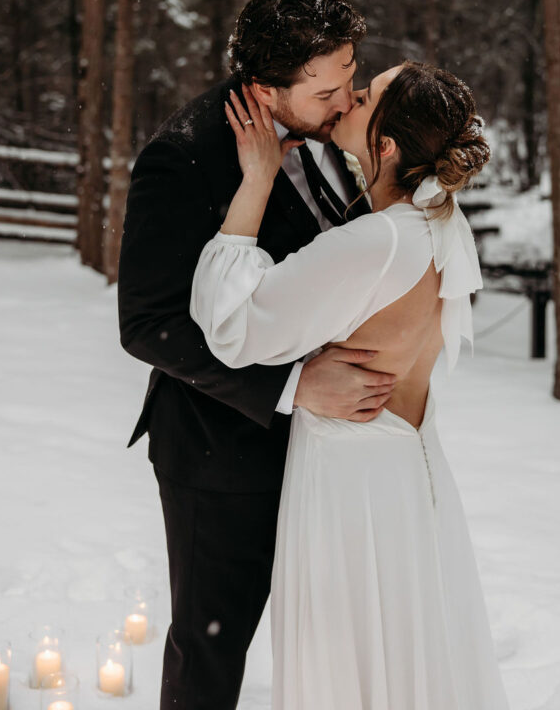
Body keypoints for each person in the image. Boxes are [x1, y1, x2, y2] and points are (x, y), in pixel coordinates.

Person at [190, 61, 511, 710]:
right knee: (399, 653)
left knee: (348, 659)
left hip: (351, 490)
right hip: (407, 476)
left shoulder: (375, 242)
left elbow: (228, 324)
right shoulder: (438, 224)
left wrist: (255, 183)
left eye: (362, 98)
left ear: (385, 148)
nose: (345, 103)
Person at [118, 0, 399, 710]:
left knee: (329, 638)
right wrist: (291, 387)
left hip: (328, 448)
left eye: (350, 80)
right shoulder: (180, 158)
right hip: (221, 452)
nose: (346, 102)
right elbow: (147, 323)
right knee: (212, 647)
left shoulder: (327, 133)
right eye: (328, 89)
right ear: (264, 86)